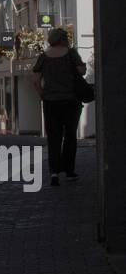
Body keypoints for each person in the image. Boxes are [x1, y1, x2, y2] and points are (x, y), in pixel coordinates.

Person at [32, 27, 86, 185]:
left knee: (54, 137)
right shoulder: (71, 53)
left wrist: (42, 94)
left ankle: (54, 173)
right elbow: (82, 71)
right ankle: (69, 171)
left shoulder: (43, 57)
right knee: (70, 136)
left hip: (50, 102)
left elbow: (35, 80)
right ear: (64, 39)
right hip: (70, 101)